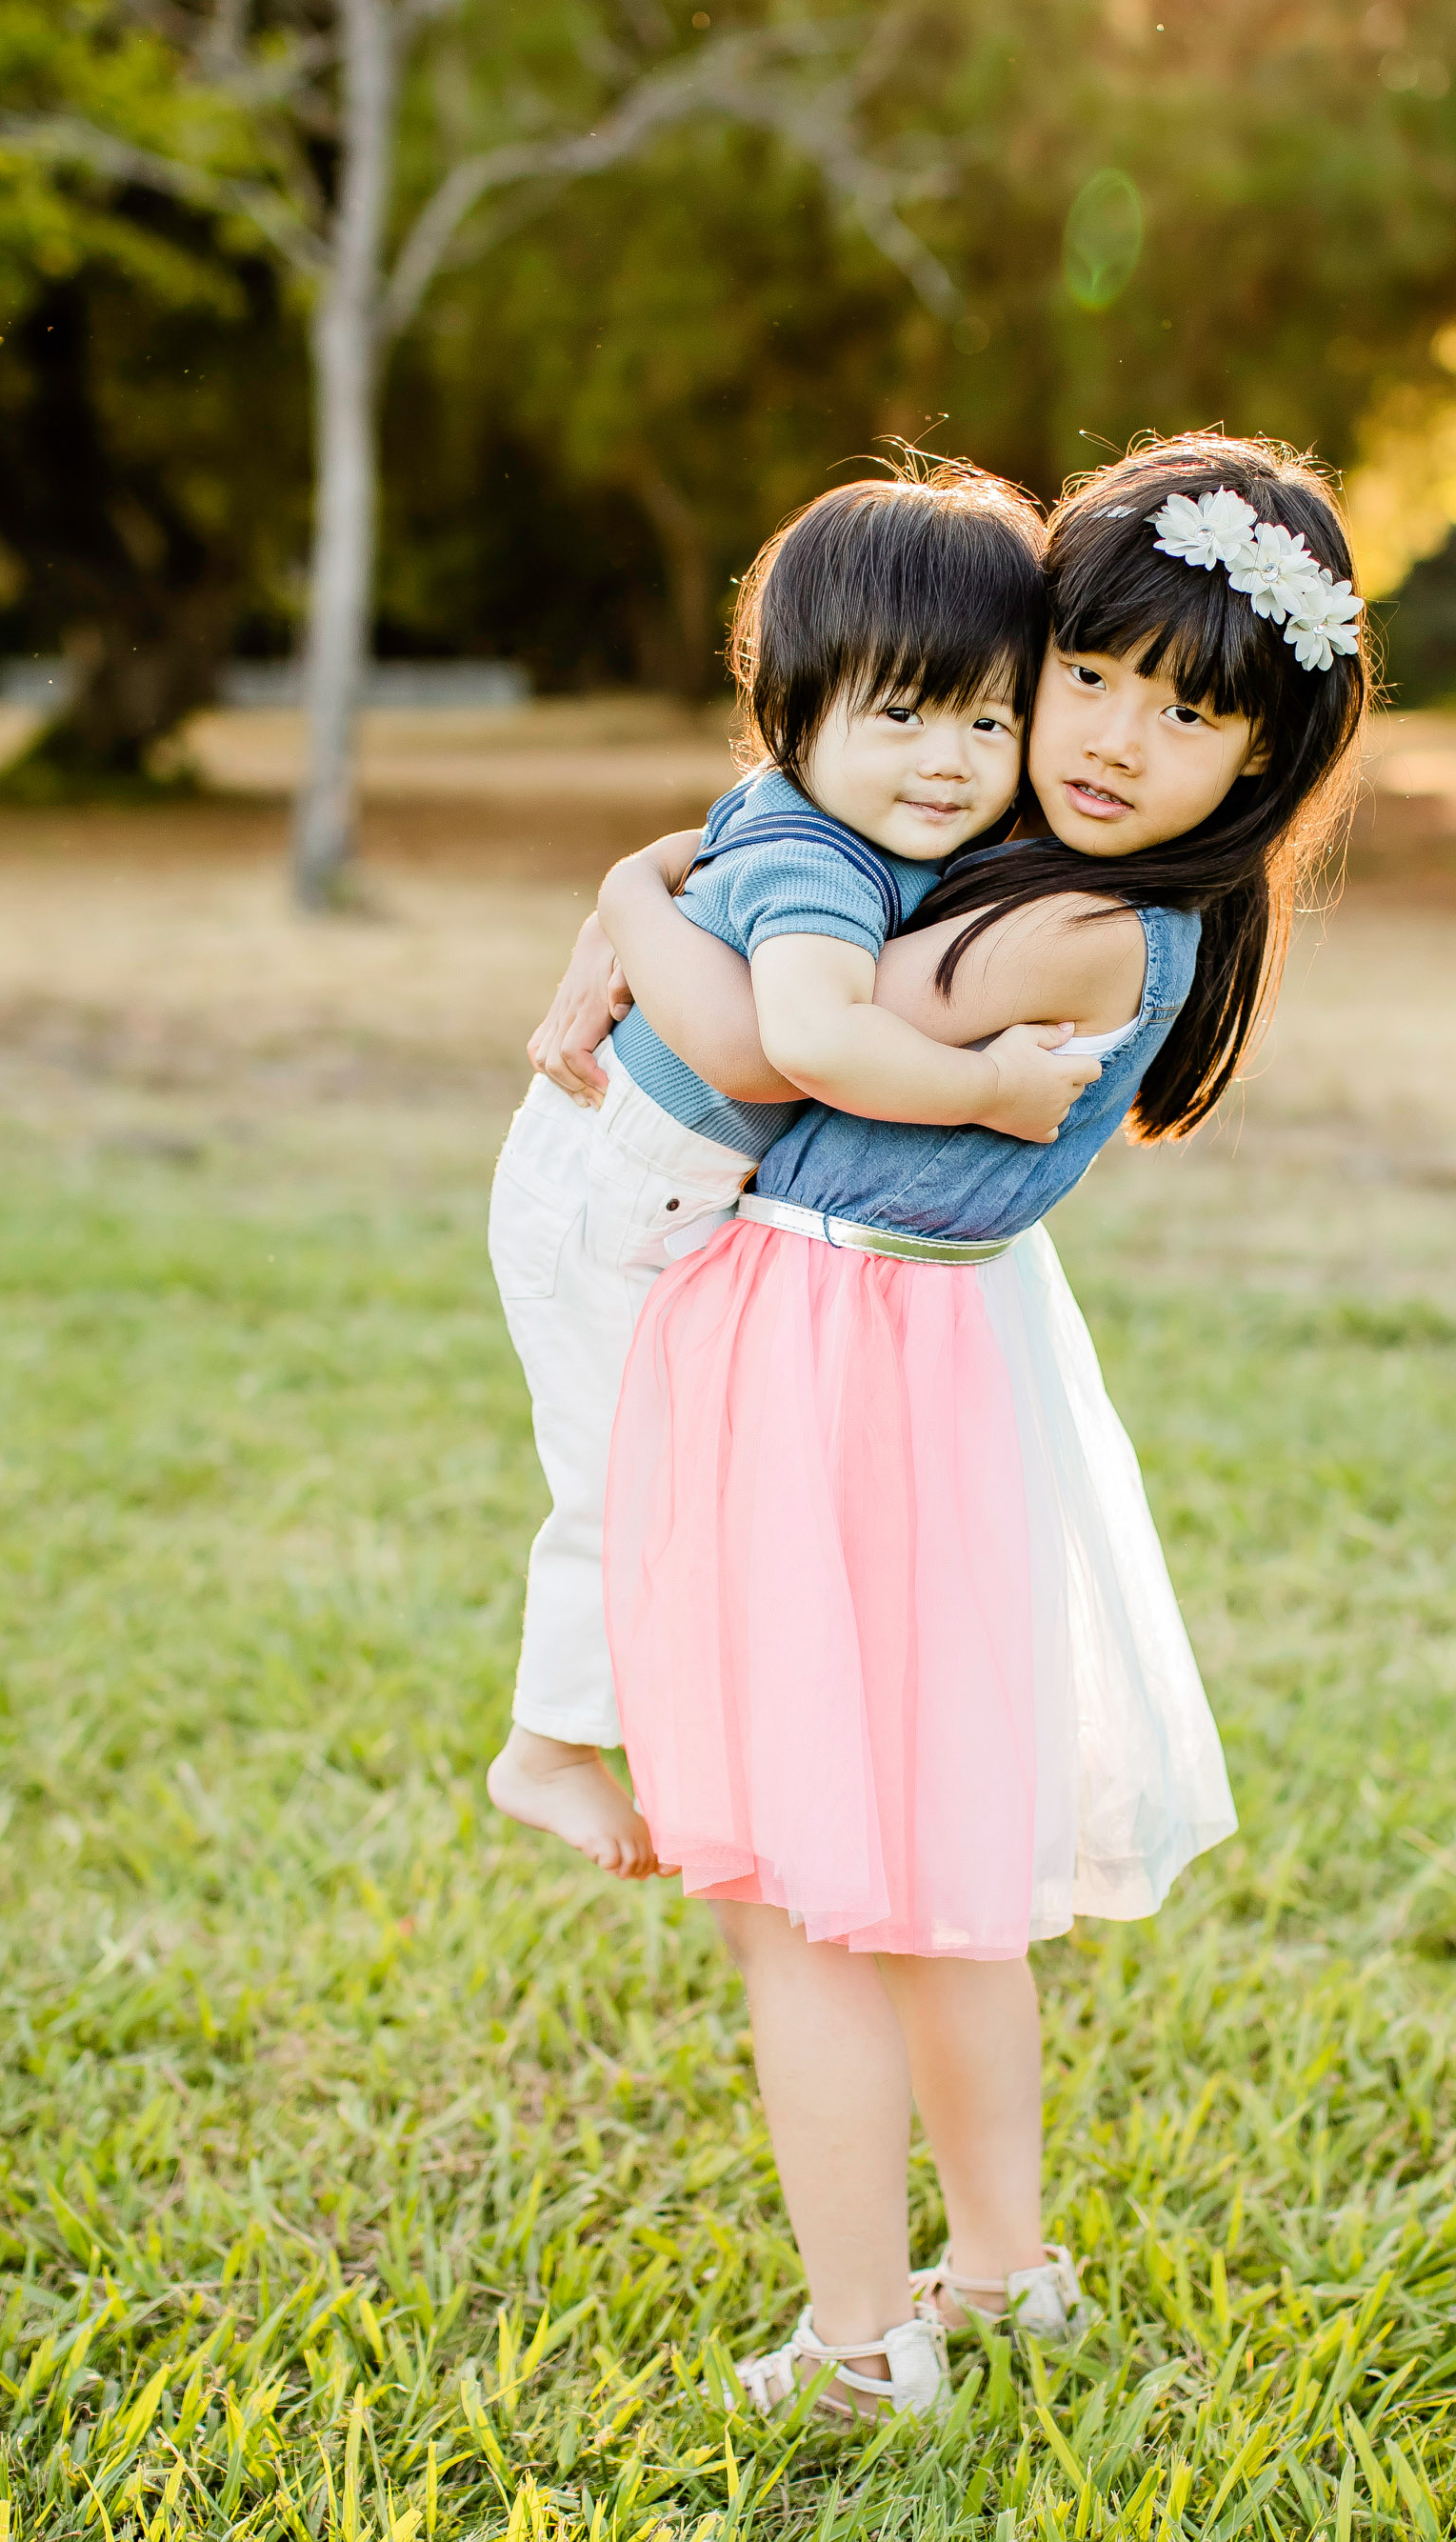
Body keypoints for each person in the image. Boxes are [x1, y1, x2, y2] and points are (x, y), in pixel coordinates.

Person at [587, 434, 1369, 2424]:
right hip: (897, 1356)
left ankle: (861, 2348)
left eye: (1189, 715)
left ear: (1259, 765)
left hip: (841, 1355)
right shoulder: (1054, 879)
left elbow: (767, 1033)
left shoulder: (1084, 928)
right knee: (920, 1868)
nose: (1112, 738)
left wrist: (623, 892)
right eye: (1086, 676)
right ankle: (1006, 2266)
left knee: (807, 1889)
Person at [487, 465, 1105, 1879]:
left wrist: (632, 887)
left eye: (989, 719)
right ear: (796, 712)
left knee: (678, 1475)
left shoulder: (884, 821)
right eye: (901, 714)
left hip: (662, 1194)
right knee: (617, 1478)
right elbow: (797, 1044)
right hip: (602, 1197)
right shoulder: (813, 860)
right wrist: (986, 1087)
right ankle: (547, 1748)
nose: (949, 761)